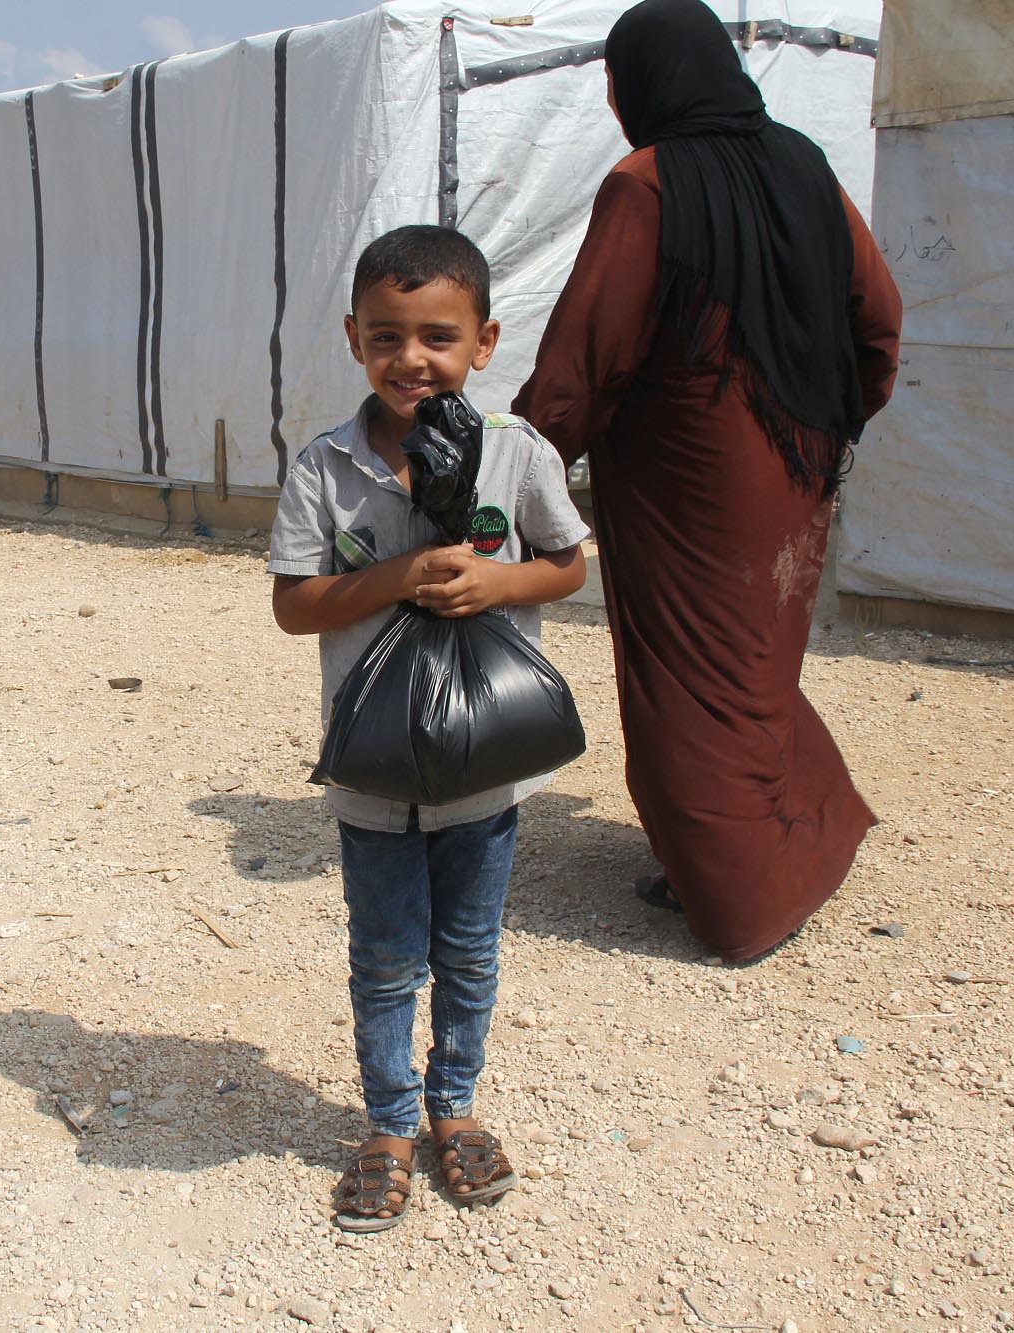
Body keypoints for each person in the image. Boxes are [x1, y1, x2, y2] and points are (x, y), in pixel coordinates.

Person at [512, 0, 903, 963]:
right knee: (756, 667)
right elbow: (879, 315)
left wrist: (516, 469)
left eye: (613, 81)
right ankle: (781, 839)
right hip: (796, 471)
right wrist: (828, 420)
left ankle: (741, 897)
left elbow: (586, 357)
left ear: (636, 82)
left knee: (689, 680)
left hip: (689, 480)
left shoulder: (646, 184)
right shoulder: (805, 164)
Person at [269, 226, 590, 1231]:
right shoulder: (326, 468)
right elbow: (293, 603)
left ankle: (454, 1108)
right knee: (381, 954)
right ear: (355, 338)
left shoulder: (516, 453)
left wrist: (498, 579)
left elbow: (567, 564)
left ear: (483, 342)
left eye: (438, 337)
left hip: (485, 768)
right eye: (387, 337)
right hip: (372, 770)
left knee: (469, 948)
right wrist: (398, 575)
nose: (413, 358)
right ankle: (388, 1124)